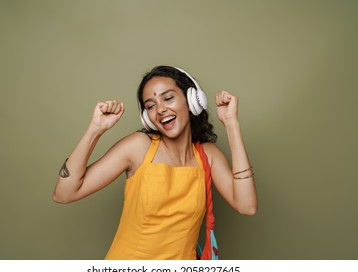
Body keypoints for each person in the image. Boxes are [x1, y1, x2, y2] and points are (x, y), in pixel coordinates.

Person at [53, 65, 258, 260]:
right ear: (147, 117)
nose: (160, 110)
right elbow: (64, 193)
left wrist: (231, 124)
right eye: (150, 106)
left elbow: (247, 206)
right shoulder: (139, 147)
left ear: (192, 100)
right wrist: (95, 129)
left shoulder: (208, 155)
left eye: (168, 98)